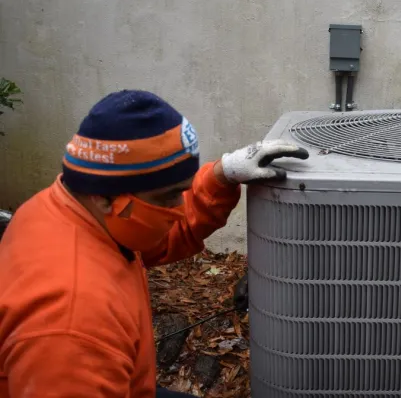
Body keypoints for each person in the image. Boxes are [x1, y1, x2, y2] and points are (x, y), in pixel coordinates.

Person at [0, 90, 308, 397]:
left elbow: (161, 234)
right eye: (168, 197)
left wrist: (222, 174)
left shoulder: (65, 206)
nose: (178, 209)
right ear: (107, 198)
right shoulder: (71, 326)